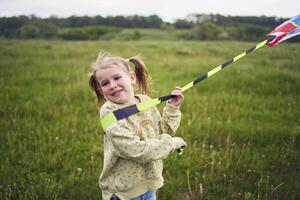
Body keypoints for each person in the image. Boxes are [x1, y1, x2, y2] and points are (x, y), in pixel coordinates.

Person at [89, 52, 187, 200]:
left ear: (132, 78)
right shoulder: (109, 112)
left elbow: (161, 131)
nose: (112, 85)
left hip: (148, 185)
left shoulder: (145, 102)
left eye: (117, 77)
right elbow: (136, 150)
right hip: (122, 193)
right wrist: (173, 143)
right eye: (105, 83)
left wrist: (172, 108)